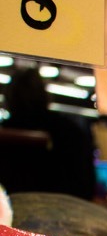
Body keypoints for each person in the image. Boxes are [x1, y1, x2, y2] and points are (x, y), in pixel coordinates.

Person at [0, 66, 96, 200]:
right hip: (67, 211)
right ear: (44, 94)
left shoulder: (6, 134)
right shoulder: (68, 130)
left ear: (9, 97)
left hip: (15, 212)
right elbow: (86, 184)